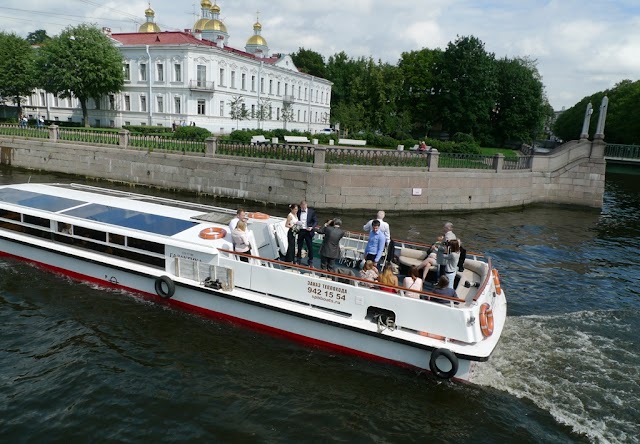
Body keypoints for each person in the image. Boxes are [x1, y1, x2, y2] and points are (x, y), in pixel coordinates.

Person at [296, 200, 317, 266]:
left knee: (310, 246)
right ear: (300, 206)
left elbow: (315, 221)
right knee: (299, 246)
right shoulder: (298, 211)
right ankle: (298, 259)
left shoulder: (311, 212)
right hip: (301, 230)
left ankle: (310, 261)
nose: (303, 208)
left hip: (308, 231)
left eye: (304, 207)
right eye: (302, 207)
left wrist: (312, 227)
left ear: (306, 205)